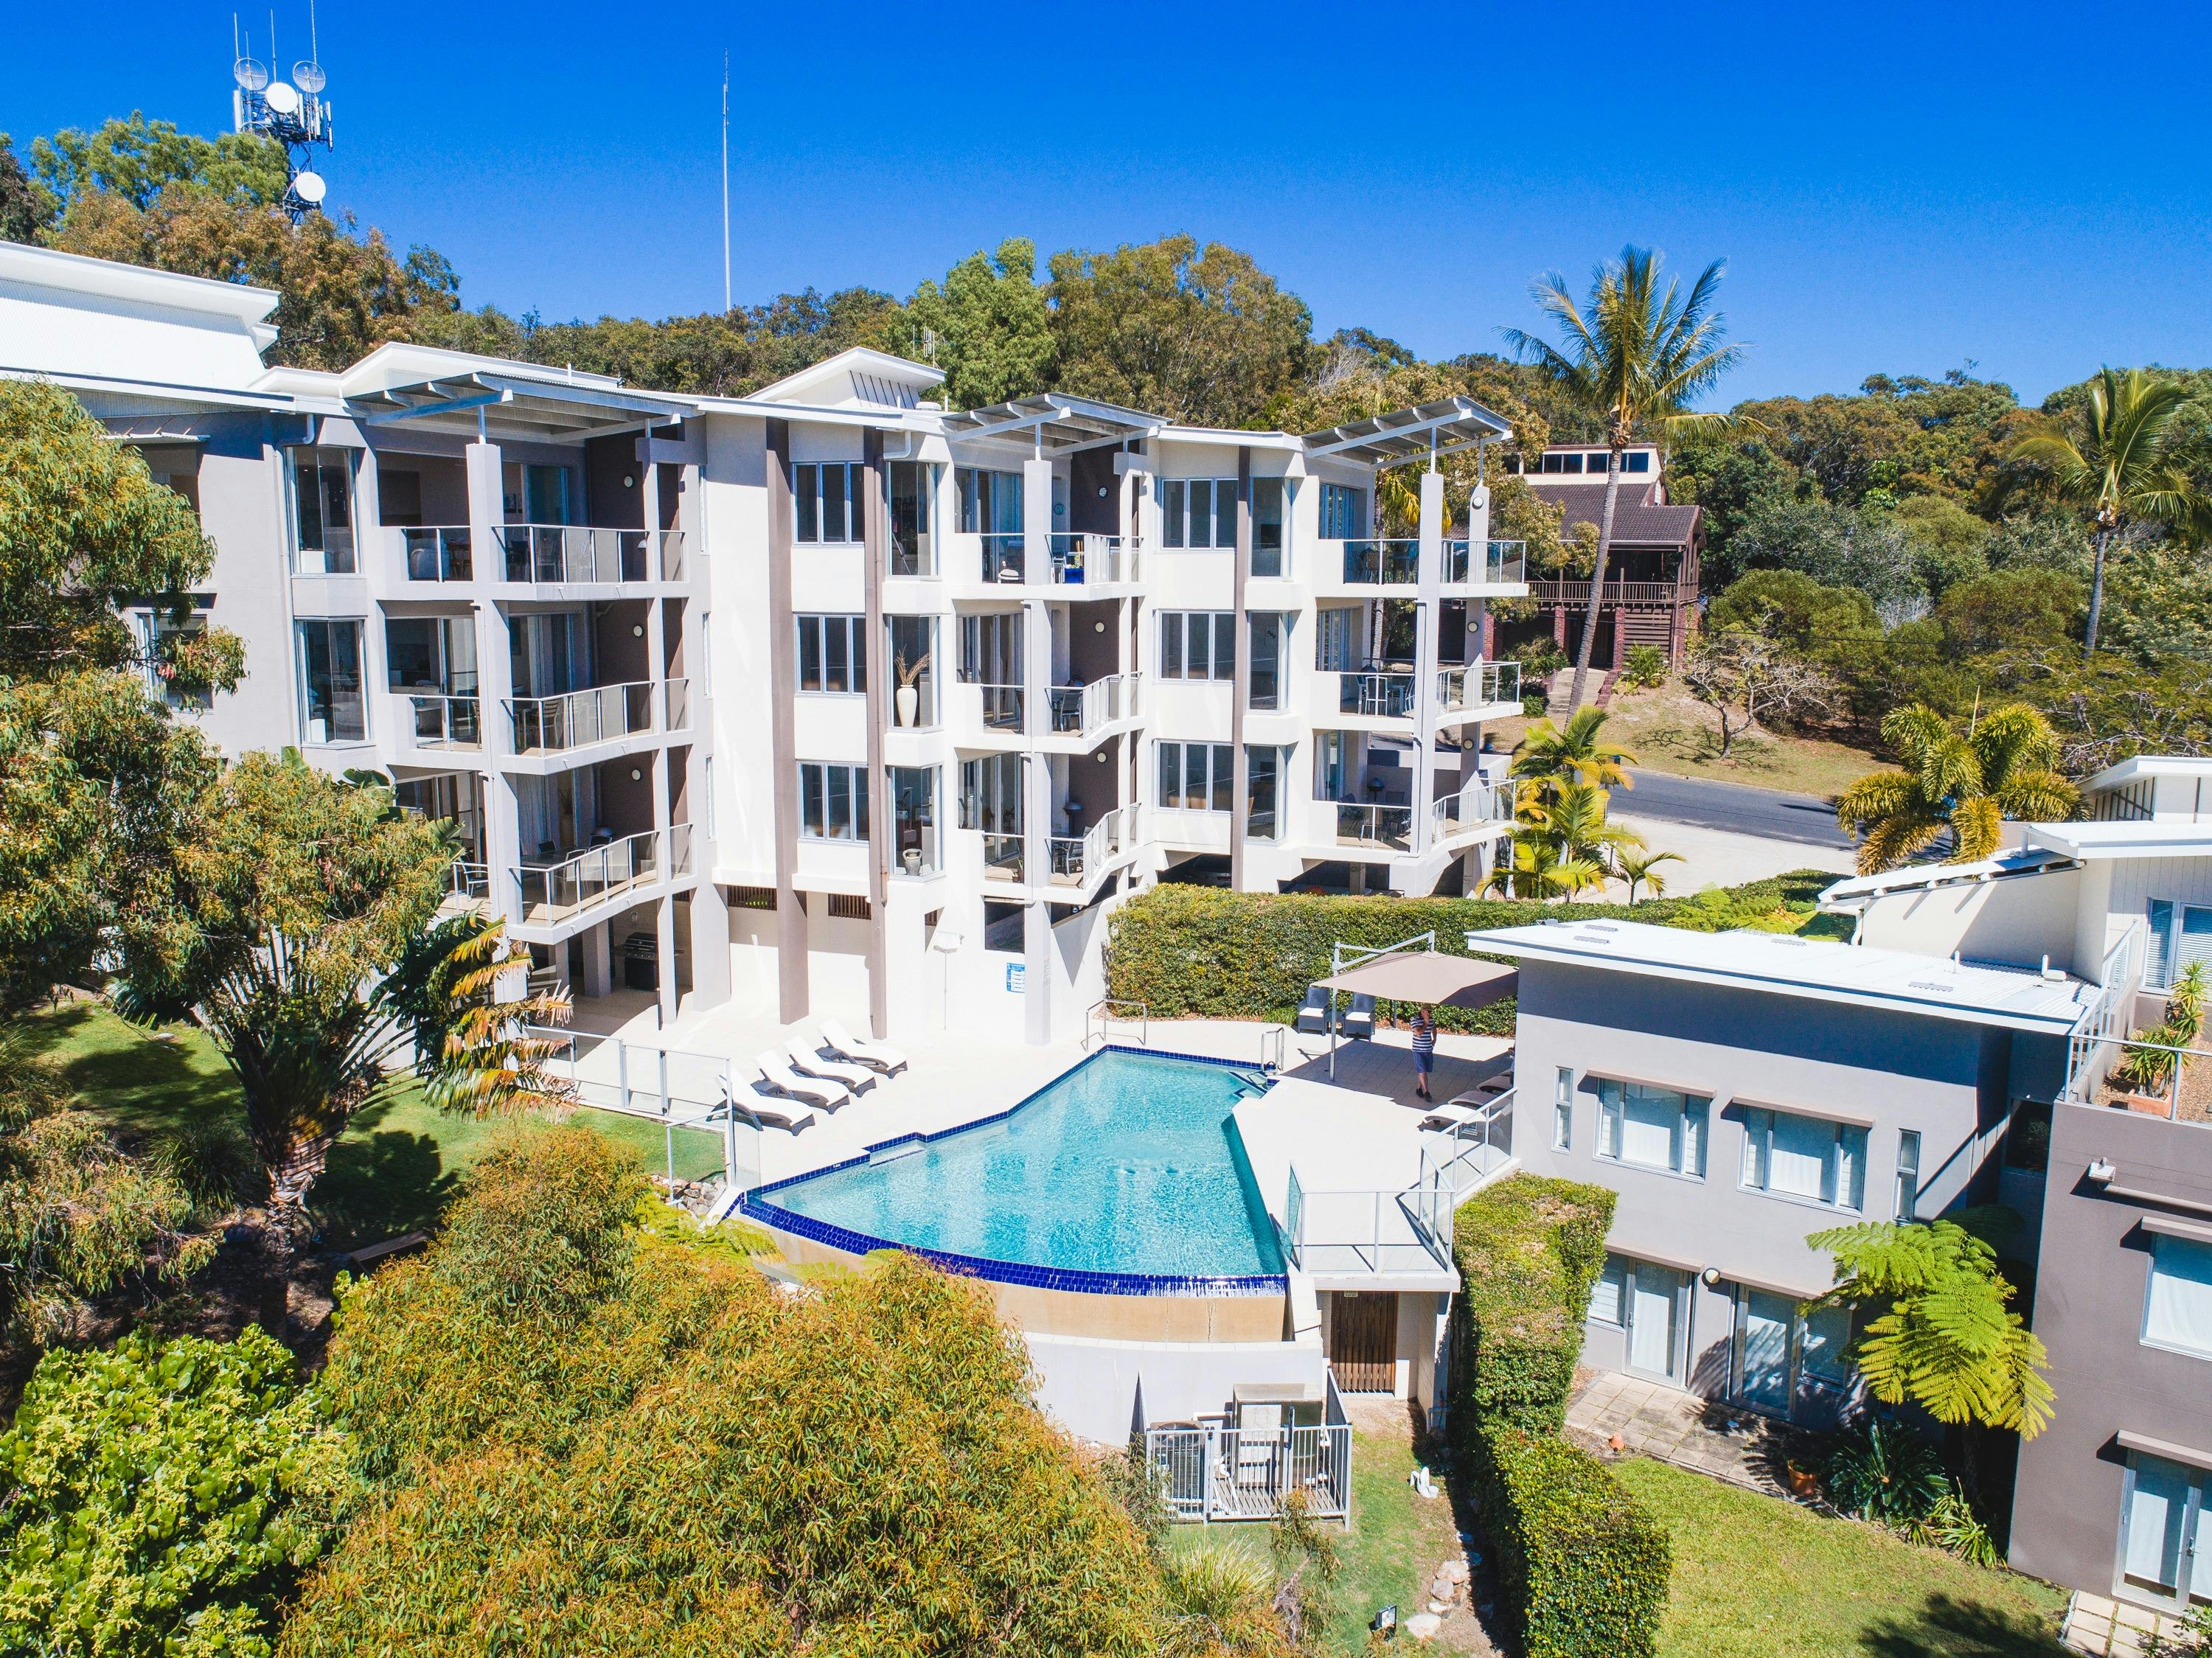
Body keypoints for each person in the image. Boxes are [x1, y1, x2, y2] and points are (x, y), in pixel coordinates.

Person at [1411, 1007, 1437, 1100]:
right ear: (1422, 1012)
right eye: (1427, 1012)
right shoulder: (1414, 1020)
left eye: (1430, 1012)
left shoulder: (1431, 1020)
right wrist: (1426, 1023)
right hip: (1418, 1050)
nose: (1429, 1014)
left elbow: (1434, 1028)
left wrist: (1435, 1039)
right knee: (1423, 1072)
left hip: (1428, 1049)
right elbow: (1419, 1033)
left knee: (1424, 1071)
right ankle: (1426, 1092)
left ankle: (1418, 1089)